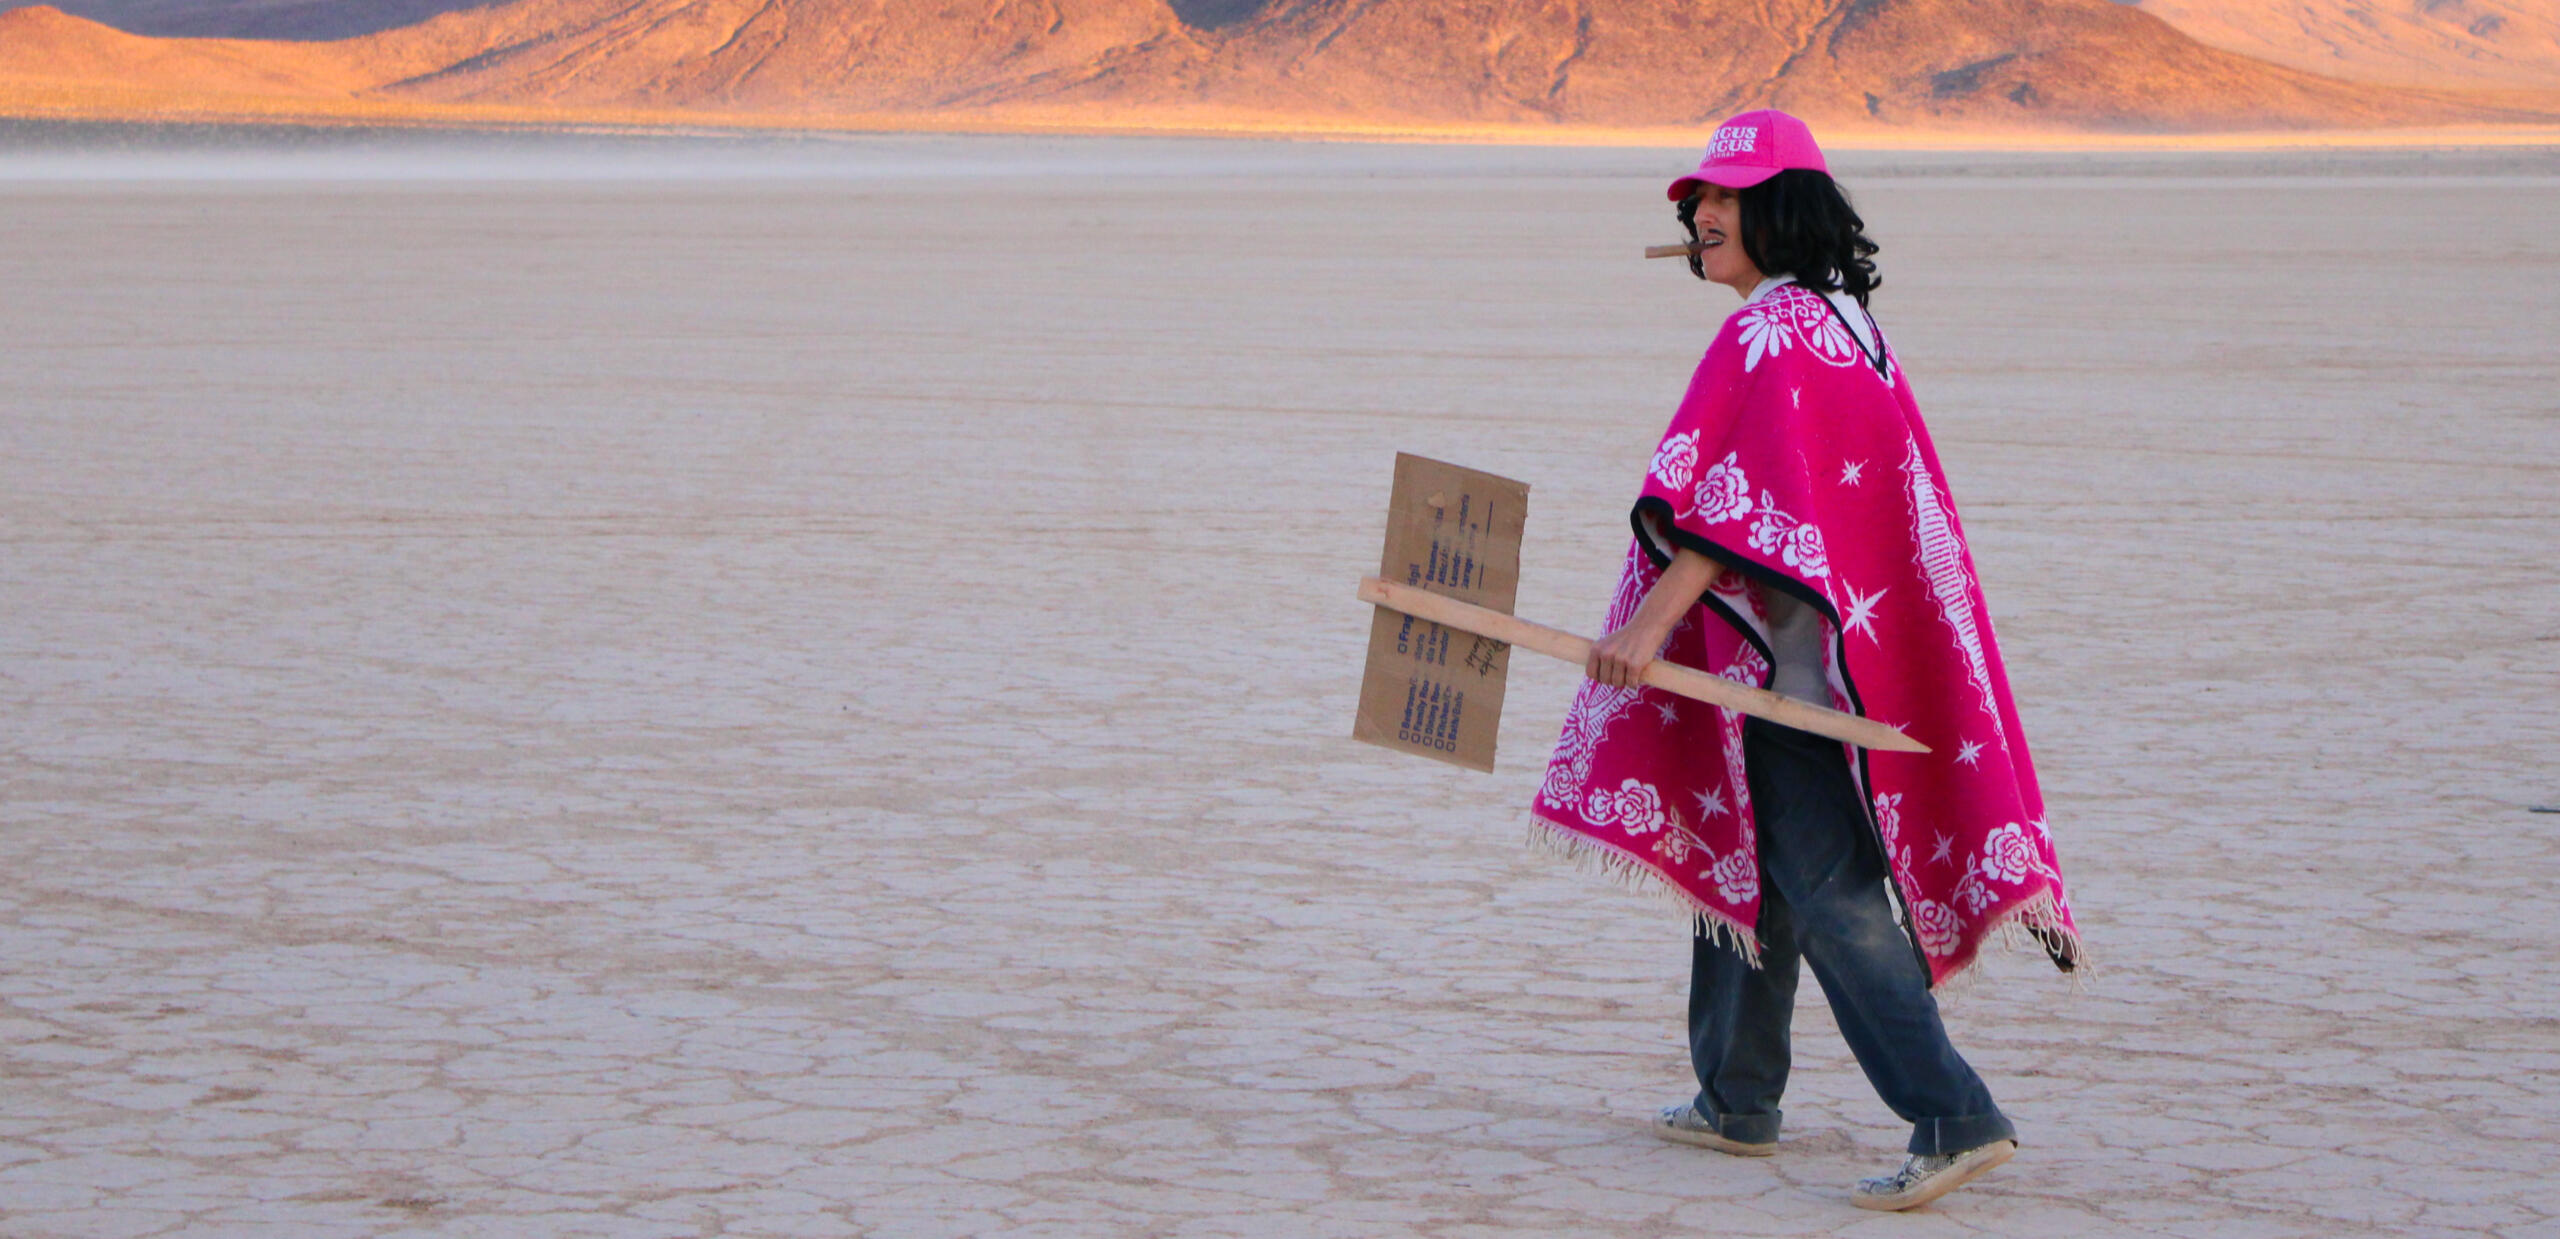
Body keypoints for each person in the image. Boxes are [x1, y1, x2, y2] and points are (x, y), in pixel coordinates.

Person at [1528, 109, 2082, 1213]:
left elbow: (1728, 508)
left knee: (1828, 895)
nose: (1702, 220)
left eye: (1727, 202)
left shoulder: (1768, 336)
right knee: (1760, 873)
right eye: (1697, 205)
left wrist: (1645, 630)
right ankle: (1737, 1097)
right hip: (1826, 664)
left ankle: (1952, 1110)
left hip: (1799, 682)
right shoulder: (1846, 325)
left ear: (1785, 213)